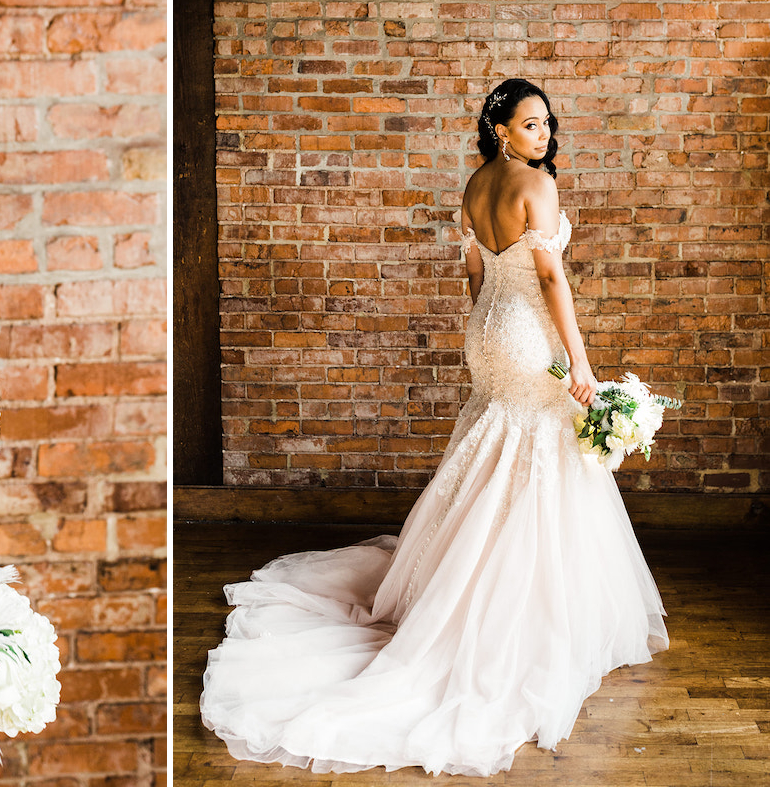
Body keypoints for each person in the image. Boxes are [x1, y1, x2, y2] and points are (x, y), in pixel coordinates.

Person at [199, 79, 669, 777]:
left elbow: (472, 273)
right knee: (534, 451)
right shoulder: (534, 186)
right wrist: (582, 363)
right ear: (502, 129)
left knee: (494, 448)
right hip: (527, 334)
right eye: (531, 125)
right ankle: (518, 612)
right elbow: (550, 281)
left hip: (486, 334)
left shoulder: (476, 184)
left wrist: (487, 334)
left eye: (547, 125)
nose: (544, 136)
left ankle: (465, 578)